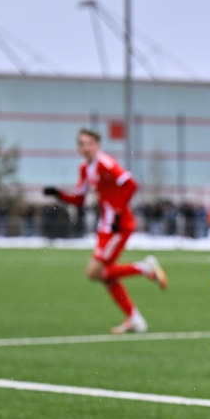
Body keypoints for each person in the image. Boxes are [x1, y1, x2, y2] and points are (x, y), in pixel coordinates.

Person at [44, 128, 167, 333]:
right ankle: (134, 318)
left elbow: (130, 184)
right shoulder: (85, 168)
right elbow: (80, 199)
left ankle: (145, 268)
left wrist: (118, 212)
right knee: (104, 275)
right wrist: (59, 194)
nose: (86, 147)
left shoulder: (104, 162)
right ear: (78, 148)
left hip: (118, 226)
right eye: (82, 144)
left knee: (94, 272)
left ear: (97, 145)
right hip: (107, 227)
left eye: (90, 143)